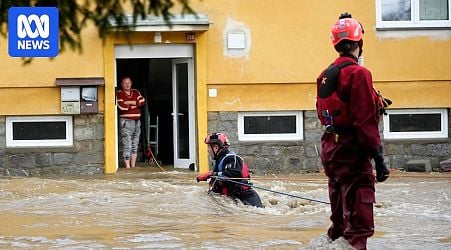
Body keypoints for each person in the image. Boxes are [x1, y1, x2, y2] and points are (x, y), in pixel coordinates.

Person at [315, 13, 390, 250]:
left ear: (335, 44)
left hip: (332, 150)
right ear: (359, 43)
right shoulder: (359, 73)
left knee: (339, 222)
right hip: (353, 152)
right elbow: (364, 121)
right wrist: (379, 160)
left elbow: (325, 111)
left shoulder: (325, 74)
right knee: (358, 225)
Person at [196, 132, 263, 208]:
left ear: (215, 147)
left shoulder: (231, 158)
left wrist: (212, 174)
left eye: (208, 147)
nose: (208, 150)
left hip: (247, 198)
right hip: (235, 199)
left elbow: (234, 173)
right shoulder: (220, 160)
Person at [116, 76, 145, 168]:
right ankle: (128, 167)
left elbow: (142, 101)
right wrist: (135, 104)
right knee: (127, 144)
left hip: (137, 121)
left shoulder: (136, 92)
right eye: (125, 83)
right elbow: (121, 106)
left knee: (135, 144)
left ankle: (133, 167)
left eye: (129, 82)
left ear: (131, 83)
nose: (127, 84)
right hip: (126, 122)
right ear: (121, 84)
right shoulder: (119, 93)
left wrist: (129, 102)